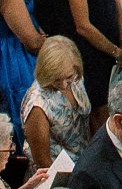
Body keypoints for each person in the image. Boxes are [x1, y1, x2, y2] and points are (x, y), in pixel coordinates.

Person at [20, 35, 91, 171]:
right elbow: (43, 162)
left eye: (68, 77)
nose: (64, 85)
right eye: (56, 79)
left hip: (84, 163)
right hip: (58, 173)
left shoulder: (76, 79)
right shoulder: (37, 105)